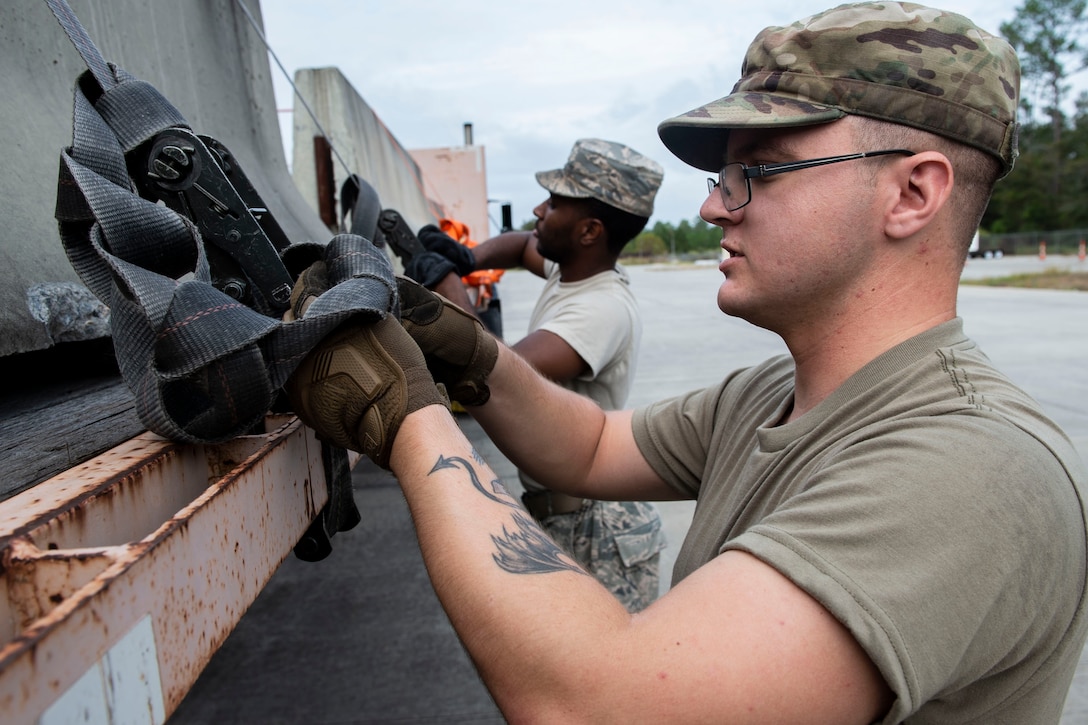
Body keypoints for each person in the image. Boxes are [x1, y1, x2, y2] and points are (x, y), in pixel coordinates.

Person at [286, 3, 1088, 721]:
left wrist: (406, 417)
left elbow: (603, 703)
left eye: (760, 170)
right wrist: (464, 348)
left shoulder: (972, 468)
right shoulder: (777, 391)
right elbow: (591, 446)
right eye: (721, 173)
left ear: (912, 194)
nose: (711, 204)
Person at [404, 138, 667, 612]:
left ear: (588, 231)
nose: (538, 209)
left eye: (555, 203)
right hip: (565, 514)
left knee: (600, 679)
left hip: (595, 527)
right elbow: (524, 244)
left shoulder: (600, 308)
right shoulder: (569, 271)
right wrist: (468, 260)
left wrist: (446, 286)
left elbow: (496, 367)